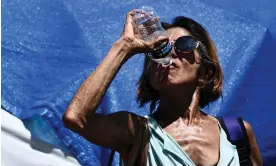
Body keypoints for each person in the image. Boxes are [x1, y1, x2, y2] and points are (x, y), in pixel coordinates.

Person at [62, 10, 263, 166]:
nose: (171, 53)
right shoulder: (136, 132)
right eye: (160, 49)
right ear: (150, 76)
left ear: (205, 74)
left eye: (184, 44)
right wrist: (125, 45)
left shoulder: (237, 134)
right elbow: (76, 118)